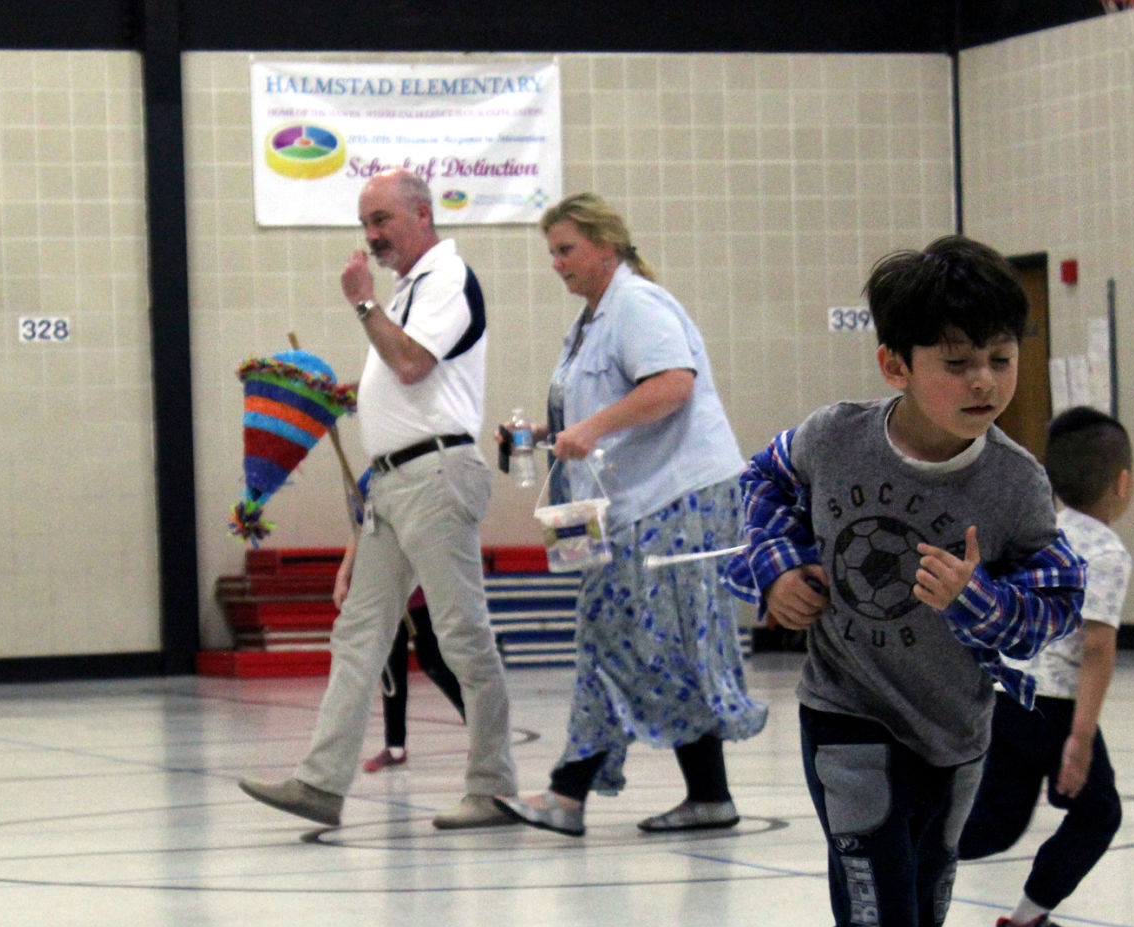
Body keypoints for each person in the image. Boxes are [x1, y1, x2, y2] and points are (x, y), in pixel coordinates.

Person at [723, 235, 1087, 927]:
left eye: (999, 359)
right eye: (955, 362)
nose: (983, 381)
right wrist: (773, 572)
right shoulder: (831, 436)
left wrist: (978, 601)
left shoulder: (1013, 482)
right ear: (895, 363)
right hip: (846, 715)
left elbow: (1056, 598)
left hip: (954, 732)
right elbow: (752, 493)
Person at [239, 169, 516, 831]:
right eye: (365, 222)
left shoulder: (446, 279)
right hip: (393, 482)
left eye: (382, 220)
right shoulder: (408, 290)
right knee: (358, 635)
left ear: (423, 215)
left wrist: (363, 306)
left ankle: (493, 786)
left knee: (460, 638)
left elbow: (412, 364)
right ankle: (320, 783)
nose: (371, 235)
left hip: (437, 476)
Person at [493, 193, 767, 838]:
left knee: (626, 633)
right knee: (628, 634)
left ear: (606, 247)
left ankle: (570, 791)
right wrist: (540, 434)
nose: (556, 264)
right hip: (618, 502)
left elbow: (674, 384)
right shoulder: (591, 321)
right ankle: (705, 796)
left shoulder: (637, 304)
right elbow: (595, 411)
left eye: (566, 249)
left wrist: (593, 427)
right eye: (552, 252)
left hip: (678, 499)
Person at [958, 408, 1134, 927]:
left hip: (1007, 695)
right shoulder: (1105, 551)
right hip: (1053, 707)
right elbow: (1096, 646)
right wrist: (1079, 739)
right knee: (1097, 811)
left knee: (998, 823)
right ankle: (1026, 924)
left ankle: (901, 854)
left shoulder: (1042, 531)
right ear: (1122, 483)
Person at [331, 495, 467, 774]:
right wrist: (343, 574)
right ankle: (395, 746)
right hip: (386, 592)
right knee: (391, 669)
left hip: (421, 588)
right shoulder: (371, 484)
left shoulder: (416, 482)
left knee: (434, 662)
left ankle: (479, 724)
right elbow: (362, 529)